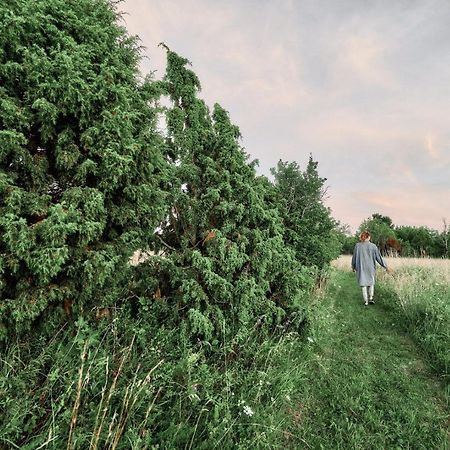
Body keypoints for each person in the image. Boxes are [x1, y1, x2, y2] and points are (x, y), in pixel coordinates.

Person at [351, 231, 391, 306]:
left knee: (363, 284)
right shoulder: (373, 246)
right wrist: (385, 266)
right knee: (371, 283)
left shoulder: (357, 246)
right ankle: (371, 298)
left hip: (361, 267)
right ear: (368, 237)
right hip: (370, 267)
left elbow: (354, 257)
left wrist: (353, 266)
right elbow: (379, 258)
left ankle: (366, 301)